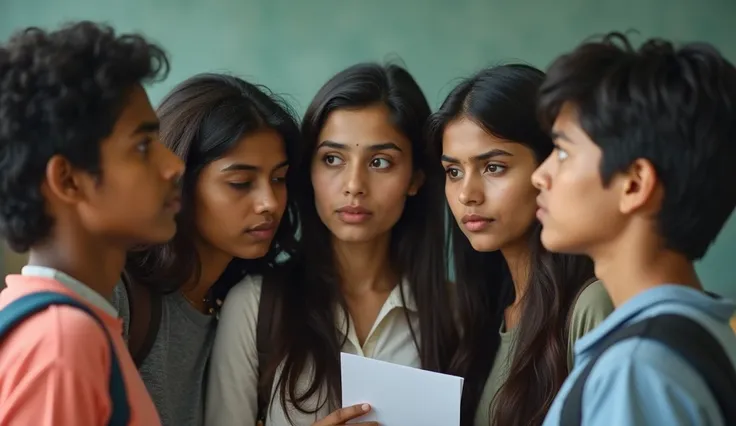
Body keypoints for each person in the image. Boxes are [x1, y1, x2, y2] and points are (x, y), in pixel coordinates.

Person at [205, 62, 458, 426]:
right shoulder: (256, 305)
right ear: (307, 171)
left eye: (380, 161)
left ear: (415, 178)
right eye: (332, 159)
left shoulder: (458, 315)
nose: (354, 184)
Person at [533, 33, 736, 426]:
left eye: (562, 153)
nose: (541, 176)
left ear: (634, 184)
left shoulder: (635, 367)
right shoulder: (709, 332)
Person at [0, 21, 182, 425]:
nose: (173, 165)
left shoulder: (68, 322)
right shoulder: (63, 342)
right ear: (67, 180)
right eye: (141, 146)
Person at [428, 64, 613, 426]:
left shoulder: (591, 306)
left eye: (494, 167)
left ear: (549, 167)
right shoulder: (482, 316)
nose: (467, 194)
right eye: (453, 171)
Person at [114, 73, 301, 426]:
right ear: (178, 180)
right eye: (240, 183)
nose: (269, 203)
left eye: (279, 179)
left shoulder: (248, 303)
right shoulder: (117, 293)